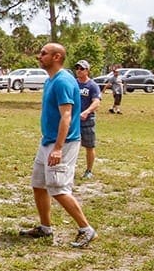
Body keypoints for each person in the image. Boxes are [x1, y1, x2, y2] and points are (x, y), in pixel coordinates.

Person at [19, 43, 97, 248]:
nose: (39, 56)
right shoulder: (50, 80)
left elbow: (67, 116)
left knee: (58, 188)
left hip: (63, 143)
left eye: (43, 54)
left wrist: (58, 148)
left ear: (56, 57)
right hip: (47, 141)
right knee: (39, 184)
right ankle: (45, 228)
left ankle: (86, 229)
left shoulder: (63, 81)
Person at [73, 60, 102, 179]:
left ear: (87, 70)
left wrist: (87, 111)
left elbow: (96, 101)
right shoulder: (73, 84)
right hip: (73, 120)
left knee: (89, 146)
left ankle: (89, 170)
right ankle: (68, 168)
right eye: (77, 68)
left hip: (87, 120)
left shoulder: (92, 85)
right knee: (70, 145)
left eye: (82, 68)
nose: (79, 70)